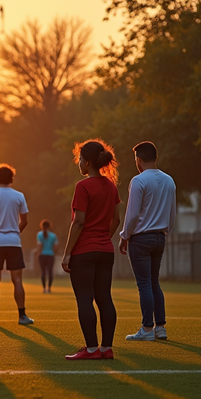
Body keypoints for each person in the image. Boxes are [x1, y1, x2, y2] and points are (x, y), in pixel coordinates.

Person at [61, 140, 121, 360]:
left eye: (79, 159)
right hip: (106, 250)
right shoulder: (111, 186)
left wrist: (67, 252)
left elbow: (79, 222)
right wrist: (104, 237)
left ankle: (92, 349)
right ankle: (106, 349)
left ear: (87, 161)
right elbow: (116, 219)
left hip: (84, 252)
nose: (79, 163)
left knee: (85, 299)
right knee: (104, 298)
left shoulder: (83, 186)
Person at [119, 141, 177, 342]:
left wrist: (124, 235)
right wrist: (165, 231)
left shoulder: (138, 181)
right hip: (159, 237)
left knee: (144, 284)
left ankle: (146, 328)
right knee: (154, 282)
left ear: (139, 160)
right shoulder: (169, 180)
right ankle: (160, 328)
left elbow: (132, 213)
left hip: (141, 238)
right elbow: (172, 212)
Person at [0, 164, 32, 326]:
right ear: (12, 179)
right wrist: (15, 233)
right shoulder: (19, 196)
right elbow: (25, 221)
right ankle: (22, 316)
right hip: (13, 242)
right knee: (17, 280)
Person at [36, 220, 58, 293]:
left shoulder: (39, 234)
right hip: (50, 255)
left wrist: (38, 253)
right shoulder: (53, 235)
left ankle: (44, 288)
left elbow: (39, 245)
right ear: (49, 226)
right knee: (50, 272)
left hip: (42, 255)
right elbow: (55, 246)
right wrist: (53, 253)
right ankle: (49, 288)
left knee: (43, 272)